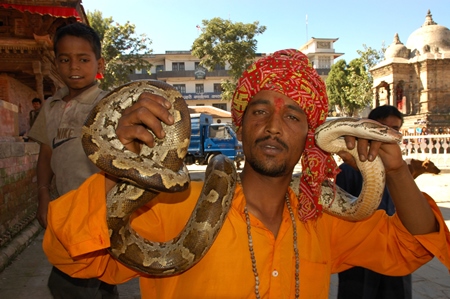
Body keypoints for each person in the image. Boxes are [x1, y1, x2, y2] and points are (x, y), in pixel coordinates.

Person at [42, 49, 450, 298]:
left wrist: (396, 172)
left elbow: (410, 248)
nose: (274, 125)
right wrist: (122, 169)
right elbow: (70, 256)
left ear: (311, 136)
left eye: (293, 116)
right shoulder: (173, 204)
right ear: (241, 125)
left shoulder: (321, 220)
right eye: (260, 111)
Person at [28, 23, 118, 298]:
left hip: (99, 209)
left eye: (83, 59)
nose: (73, 66)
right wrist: (43, 194)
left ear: (99, 63)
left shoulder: (110, 104)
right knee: (99, 283)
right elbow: (46, 155)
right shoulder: (50, 106)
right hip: (65, 209)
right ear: (56, 63)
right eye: (65, 60)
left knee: (70, 284)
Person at [336, 105, 412, 299]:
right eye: (384, 128)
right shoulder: (348, 170)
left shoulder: (400, 171)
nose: (389, 135)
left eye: (395, 129)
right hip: (359, 258)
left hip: (394, 255)